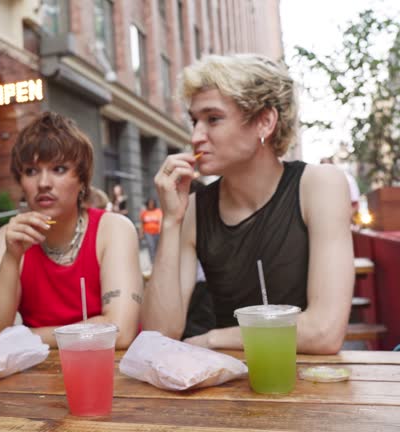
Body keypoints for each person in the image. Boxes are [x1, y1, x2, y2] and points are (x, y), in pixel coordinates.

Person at [141, 54, 354, 354]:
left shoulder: (319, 185)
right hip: (228, 385)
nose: (195, 137)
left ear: (264, 122)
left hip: (308, 378)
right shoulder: (193, 210)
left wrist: (213, 338)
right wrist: (172, 221)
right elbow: (159, 334)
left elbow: (324, 331)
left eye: (213, 119)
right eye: (194, 121)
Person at [0, 112, 141, 348]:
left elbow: (120, 331)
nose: (43, 183)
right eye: (31, 171)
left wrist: (21, 337)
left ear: (82, 180)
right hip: (37, 379)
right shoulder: (9, 239)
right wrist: (12, 257)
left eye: (59, 169)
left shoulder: (113, 229)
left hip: (110, 372)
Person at [320, 156, 360, 221]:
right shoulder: (321, 184)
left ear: (332, 166)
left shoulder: (346, 179)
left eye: (326, 167)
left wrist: (341, 220)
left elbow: (355, 204)